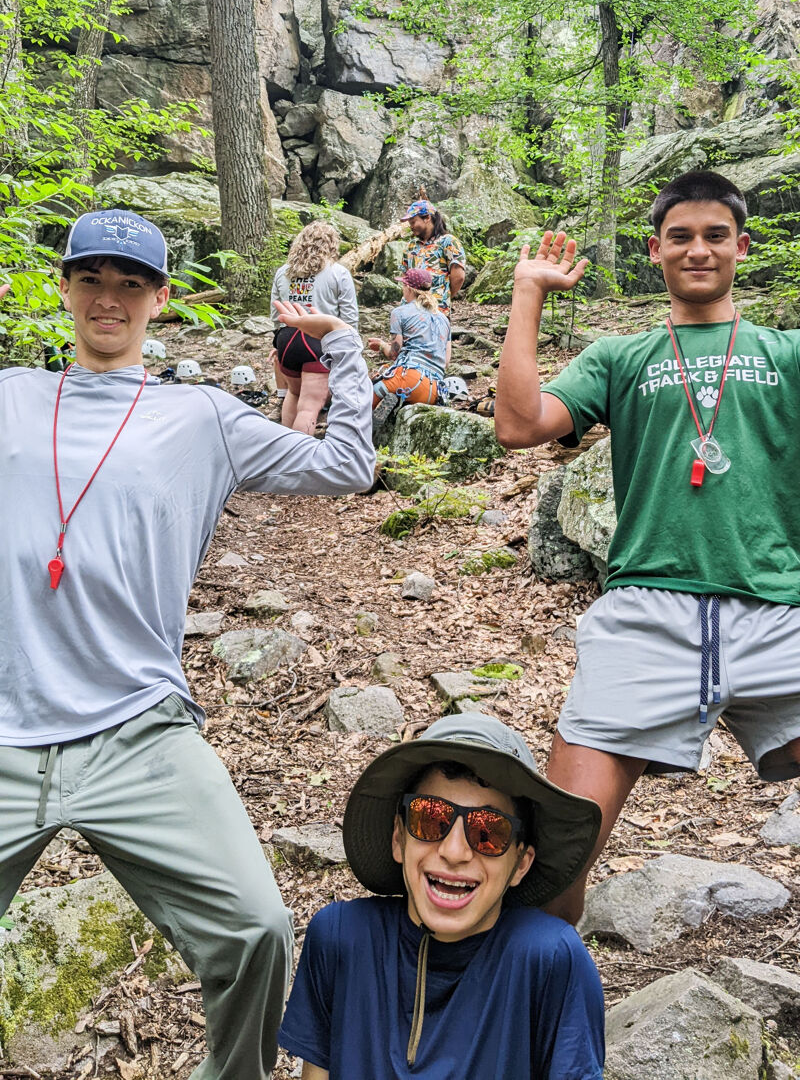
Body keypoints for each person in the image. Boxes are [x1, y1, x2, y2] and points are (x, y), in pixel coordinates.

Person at [0, 207, 375, 1080]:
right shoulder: (11, 396)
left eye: (131, 283)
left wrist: (345, 348)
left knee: (257, 930)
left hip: (140, 731)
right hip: (5, 731)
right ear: (63, 287)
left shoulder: (202, 415)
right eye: (91, 277)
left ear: (159, 300)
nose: (109, 298)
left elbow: (349, 467)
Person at [494, 168, 800, 926]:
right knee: (560, 843)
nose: (699, 250)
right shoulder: (620, 356)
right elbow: (519, 423)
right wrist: (527, 291)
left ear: (741, 247)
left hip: (779, 612)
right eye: (681, 237)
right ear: (656, 250)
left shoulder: (785, 353)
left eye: (715, 236)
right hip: (645, 613)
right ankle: (546, 1014)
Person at [278, 714, 604, 1080]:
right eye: (431, 820)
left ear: (520, 864)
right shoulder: (342, 938)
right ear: (399, 838)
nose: (454, 851)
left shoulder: (548, 959)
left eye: (488, 832)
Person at [270, 221, 359, 435]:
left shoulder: (283, 272)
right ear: (331, 245)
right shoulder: (338, 273)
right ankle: (301, 459)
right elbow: (349, 318)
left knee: (294, 394)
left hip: (287, 339)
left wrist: (277, 343)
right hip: (318, 340)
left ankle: (283, 450)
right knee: (309, 407)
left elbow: (275, 315)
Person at [368, 266, 451, 409]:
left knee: (364, 401)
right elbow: (446, 361)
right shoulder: (444, 319)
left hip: (409, 380)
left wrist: (381, 345)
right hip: (435, 390)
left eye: (403, 286)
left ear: (409, 288)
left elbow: (394, 353)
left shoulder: (400, 312)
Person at [399, 199, 466, 315]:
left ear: (427, 218)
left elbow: (458, 276)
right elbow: (404, 277)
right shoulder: (411, 246)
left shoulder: (448, 242)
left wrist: (443, 296)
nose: (411, 226)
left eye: (413, 222)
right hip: (410, 312)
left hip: (436, 311)